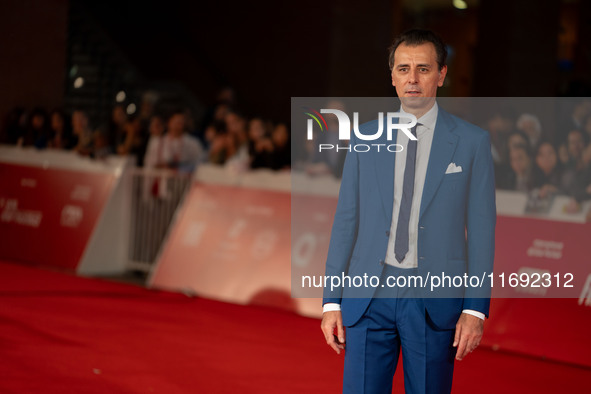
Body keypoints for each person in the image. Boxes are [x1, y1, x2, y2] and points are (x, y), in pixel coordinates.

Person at [320, 29, 496, 393]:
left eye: (423, 69)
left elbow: (481, 232)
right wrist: (330, 300)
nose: (412, 79)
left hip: (433, 300)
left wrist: (475, 309)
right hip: (368, 295)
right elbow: (345, 223)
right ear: (392, 76)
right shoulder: (364, 138)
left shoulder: (472, 142)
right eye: (403, 69)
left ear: (442, 74)